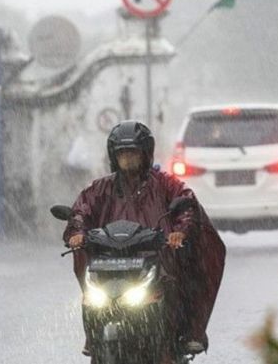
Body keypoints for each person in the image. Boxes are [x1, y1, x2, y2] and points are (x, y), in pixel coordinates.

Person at [62, 120, 226, 356]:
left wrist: (180, 231)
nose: (128, 159)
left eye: (133, 153)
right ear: (114, 156)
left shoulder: (166, 184)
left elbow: (186, 205)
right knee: (90, 290)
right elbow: (81, 210)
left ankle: (184, 334)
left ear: (145, 154)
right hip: (109, 262)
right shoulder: (100, 189)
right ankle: (94, 335)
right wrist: (77, 232)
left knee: (180, 281)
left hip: (155, 261)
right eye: (122, 153)